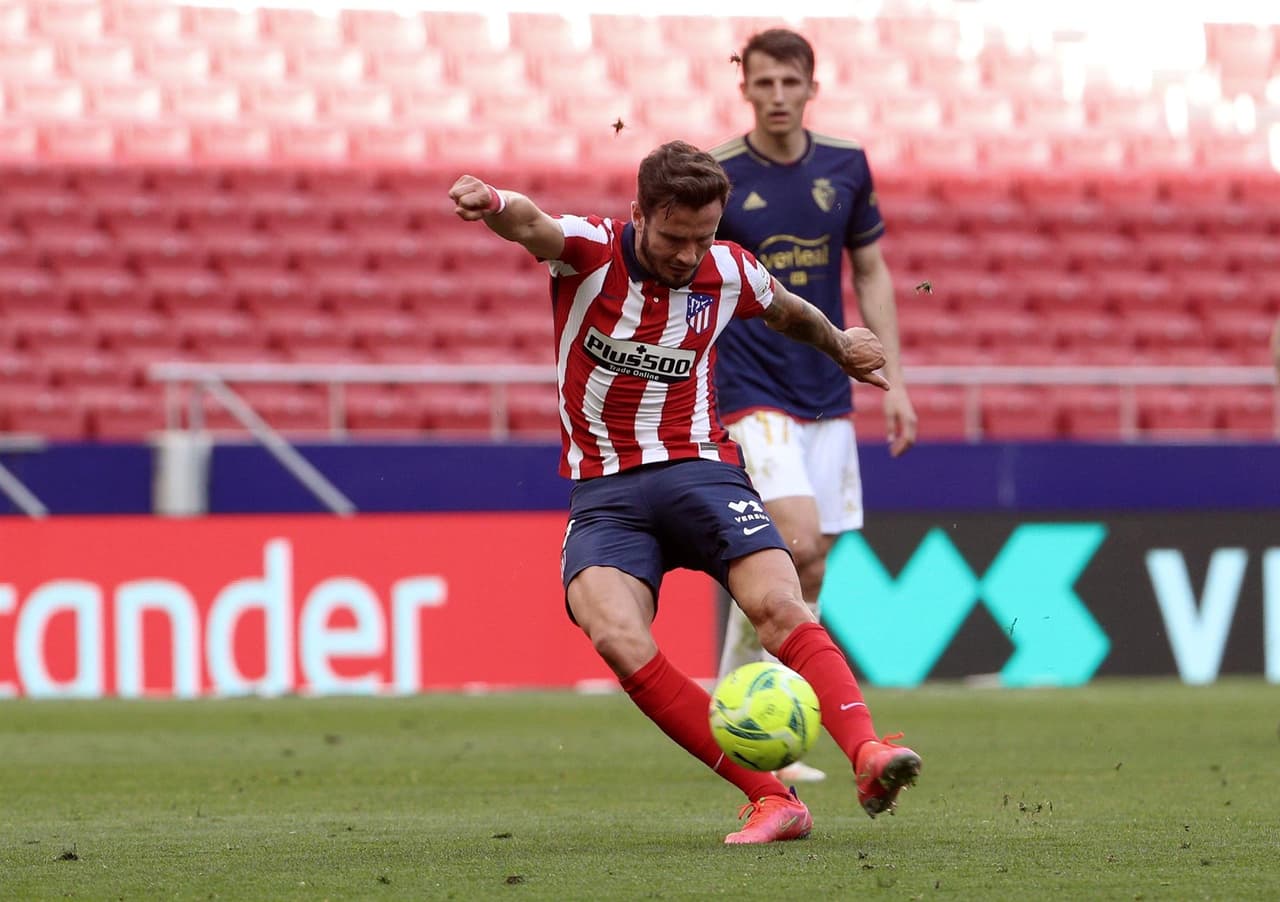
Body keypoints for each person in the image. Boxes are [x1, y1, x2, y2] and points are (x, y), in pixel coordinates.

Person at [448, 140, 920, 845]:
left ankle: (867, 750)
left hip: (699, 469)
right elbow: (530, 223)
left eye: (702, 237)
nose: (686, 254)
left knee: (778, 603)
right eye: (673, 236)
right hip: (605, 491)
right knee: (613, 631)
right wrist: (493, 204)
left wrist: (841, 348)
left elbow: (789, 310)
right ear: (639, 213)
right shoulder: (590, 251)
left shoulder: (727, 270)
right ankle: (771, 797)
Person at [709, 29, 918, 783]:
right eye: (761, 84)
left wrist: (892, 378)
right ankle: (765, 707)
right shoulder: (723, 176)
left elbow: (870, 269)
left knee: (814, 564)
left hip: (828, 389)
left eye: (788, 83)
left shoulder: (845, 164)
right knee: (793, 543)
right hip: (752, 385)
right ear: (745, 90)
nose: (775, 97)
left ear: (810, 86)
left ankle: (738, 697)